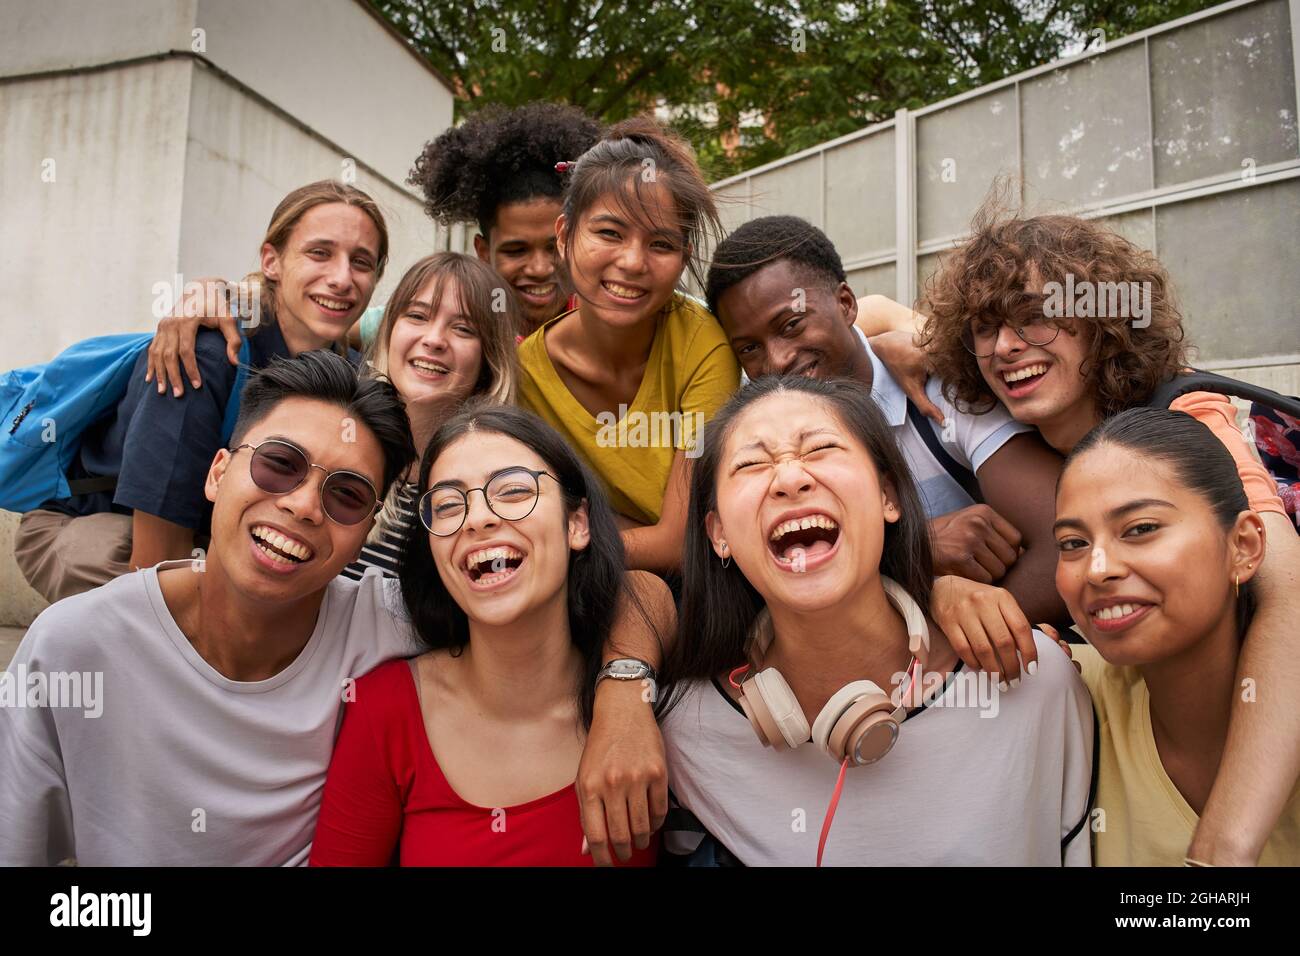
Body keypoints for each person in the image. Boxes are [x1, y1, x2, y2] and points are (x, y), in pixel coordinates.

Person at [908, 200, 1300, 864]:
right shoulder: (1033, 448)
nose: (1006, 346)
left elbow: (1290, 597)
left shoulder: (1185, 417)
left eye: (1035, 316)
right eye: (985, 326)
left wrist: (1221, 854)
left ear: (1101, 318)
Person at [0, 351, 418, 865]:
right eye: (280, 464)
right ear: (218, 473)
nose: (304, 505)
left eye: (348, 495)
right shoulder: (75, 646)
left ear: (367, 534)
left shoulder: (389, 631)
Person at [657, 375, 1093, 866]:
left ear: (889, 496)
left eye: (820, 448)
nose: (789, 479)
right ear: (719, 535)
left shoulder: (1031, 681)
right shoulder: (685, 730)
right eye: (752, 464)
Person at [706, 216, 1071, 680]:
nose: (777, 360)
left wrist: (960, 642)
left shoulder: (940, 391)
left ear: (845, 303)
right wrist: (917, 548)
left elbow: (1063, 547)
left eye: (793, 325)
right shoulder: (753, 434)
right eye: (749, 349)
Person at [312, 404, 657, 866]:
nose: (477, 519)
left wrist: (627, 698)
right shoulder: (384, 709)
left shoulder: (650, 694)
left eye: (513, 491)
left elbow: (649, 595)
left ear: (577, 524)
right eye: (449, 505)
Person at [13, 181, 387, 602]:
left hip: (210, 540)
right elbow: (155, 563)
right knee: (164, 607)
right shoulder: (201, 353)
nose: (341, 278)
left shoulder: (349, 375)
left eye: (361, 262)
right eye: (319, 253)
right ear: (272, 260)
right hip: (99, 527)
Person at [145, 103, 604, 391]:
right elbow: (309, 312)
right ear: (484, 252)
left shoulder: (609, 322)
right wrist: (215, 294)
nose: (540, 267)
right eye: (517, 250)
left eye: (555, 246)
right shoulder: (434, 319)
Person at [1053, 407, 1299, 865]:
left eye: (1141, 529)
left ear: (1243, 547)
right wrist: (950, 594)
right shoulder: (1061, 694)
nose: (1098, 569)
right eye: (1073, 543)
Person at [517, 116, 741, 574]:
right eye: (609, 233)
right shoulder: (522, 375)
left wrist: (573, 537)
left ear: (683, 258)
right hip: (583, 591)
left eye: (661, 243)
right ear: (564, 236)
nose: (633, 262)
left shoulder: (702, 345)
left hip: (703, 595)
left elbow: (679, 544)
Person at [341, 252, 520, 579]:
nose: (434, 340)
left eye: (463, 328)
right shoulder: (333, 447)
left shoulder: (496, 497)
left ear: (488, 361)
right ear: (389, 330)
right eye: (417, 316)